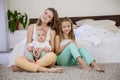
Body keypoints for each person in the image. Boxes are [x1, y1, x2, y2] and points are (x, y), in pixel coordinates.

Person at [8, 7, 63, 73]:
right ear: (43, 12)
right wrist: (33, 49)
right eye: (45, 13)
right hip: (32, 57)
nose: (45, 16)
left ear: (51, 20)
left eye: (49, 16)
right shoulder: (31, 27)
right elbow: (28, 45)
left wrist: (42, 49)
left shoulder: (52, 31)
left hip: (45, 58)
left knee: (53, 56)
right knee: (18, 60)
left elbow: (52, 49)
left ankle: (26, 67)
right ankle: (47, 70)